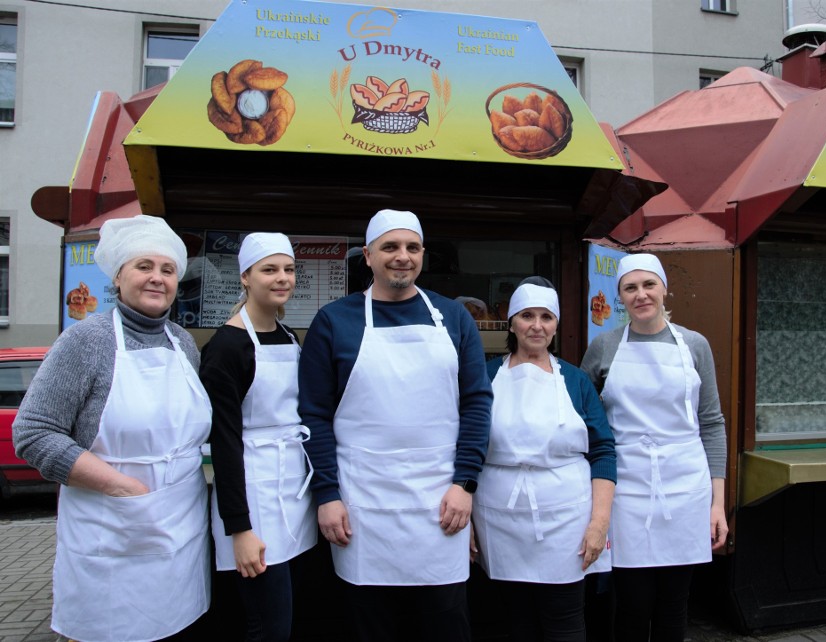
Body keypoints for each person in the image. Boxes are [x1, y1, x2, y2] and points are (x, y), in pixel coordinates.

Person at [13, 214, 211, 642]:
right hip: (112, 532)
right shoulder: (86, 341)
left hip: (181, 530)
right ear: (118, 277)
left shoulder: (184, 344)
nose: (157, 278)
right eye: (144, 267)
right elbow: (34, 433)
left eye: (168, 269)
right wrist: (125, 490)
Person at [297, 209, 493, 642]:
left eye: (411, 247)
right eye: (390, 247)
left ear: (423, 254)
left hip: (441, 503)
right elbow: (313, 415)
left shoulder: (454, 318)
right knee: (370, 624)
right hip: (363, 504)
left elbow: (477, 403)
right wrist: (326, 494)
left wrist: (466, 483)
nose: (401, 257)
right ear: (368, 256)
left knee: (445, 622)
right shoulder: (334, 320)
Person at [580, 253, 729, 642]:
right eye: (630, 288)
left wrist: (717, 504)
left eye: (649, 285)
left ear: (665, 289)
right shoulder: (604, 347)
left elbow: (712, 424)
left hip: (685, 490)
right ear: (620, 298)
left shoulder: (695, 345)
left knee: (675, 605)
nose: (641, 294)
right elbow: (584, 423)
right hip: (626, 490)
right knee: (631, 604)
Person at [472, 280, 616, 642]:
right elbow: (467, 449)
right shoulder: (486, 377)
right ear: (511, 323)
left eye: (546, 317)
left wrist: (599, 523)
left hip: (566, 516)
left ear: (556, 325)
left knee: (564, 620)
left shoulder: (576, 381)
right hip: (499, 518)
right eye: (527, 316)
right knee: (515, 620)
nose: (537, 325)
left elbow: (602, 452)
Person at [200, 233, 316, 641]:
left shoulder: (288, 338)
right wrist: (240, 529)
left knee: (291, 618)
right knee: (268, 626)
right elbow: (224, 442)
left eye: (288, 270)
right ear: (246, 277)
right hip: (253, 499)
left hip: (292, 494)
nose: (282, 278)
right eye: (270, 270)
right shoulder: (227, 346)